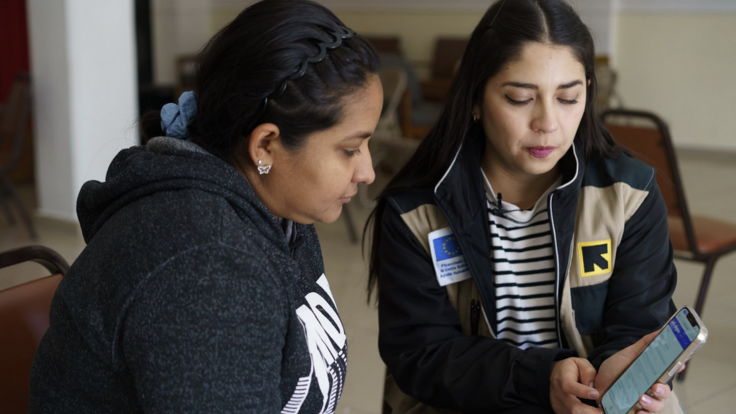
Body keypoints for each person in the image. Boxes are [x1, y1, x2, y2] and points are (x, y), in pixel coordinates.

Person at [29, 1, 381, 413]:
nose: (368, 172)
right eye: (351, 149)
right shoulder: (206, 269)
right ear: (265, 145)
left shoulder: (275, 204)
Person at [366, 0, 683, 413]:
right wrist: (542, 380)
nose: (548, 123)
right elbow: (421, 354)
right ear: (475, 99)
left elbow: (637, 327)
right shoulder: (416, 211)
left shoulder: (628, 194)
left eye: (569, 97)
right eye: (519, 98)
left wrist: (620, 381)